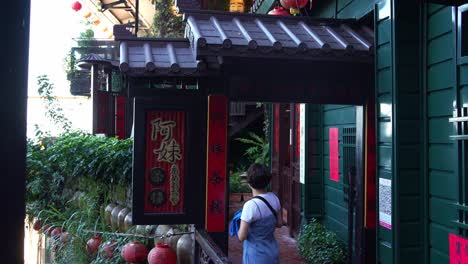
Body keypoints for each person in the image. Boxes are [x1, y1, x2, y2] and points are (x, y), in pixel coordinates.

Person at [237, 163, 282, 263]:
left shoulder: (250, 205)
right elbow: (279, 223)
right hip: (272, 251)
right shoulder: (274, 198)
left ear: (249, 183)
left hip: (255, 254)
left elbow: (241, 236)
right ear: (268, 181)